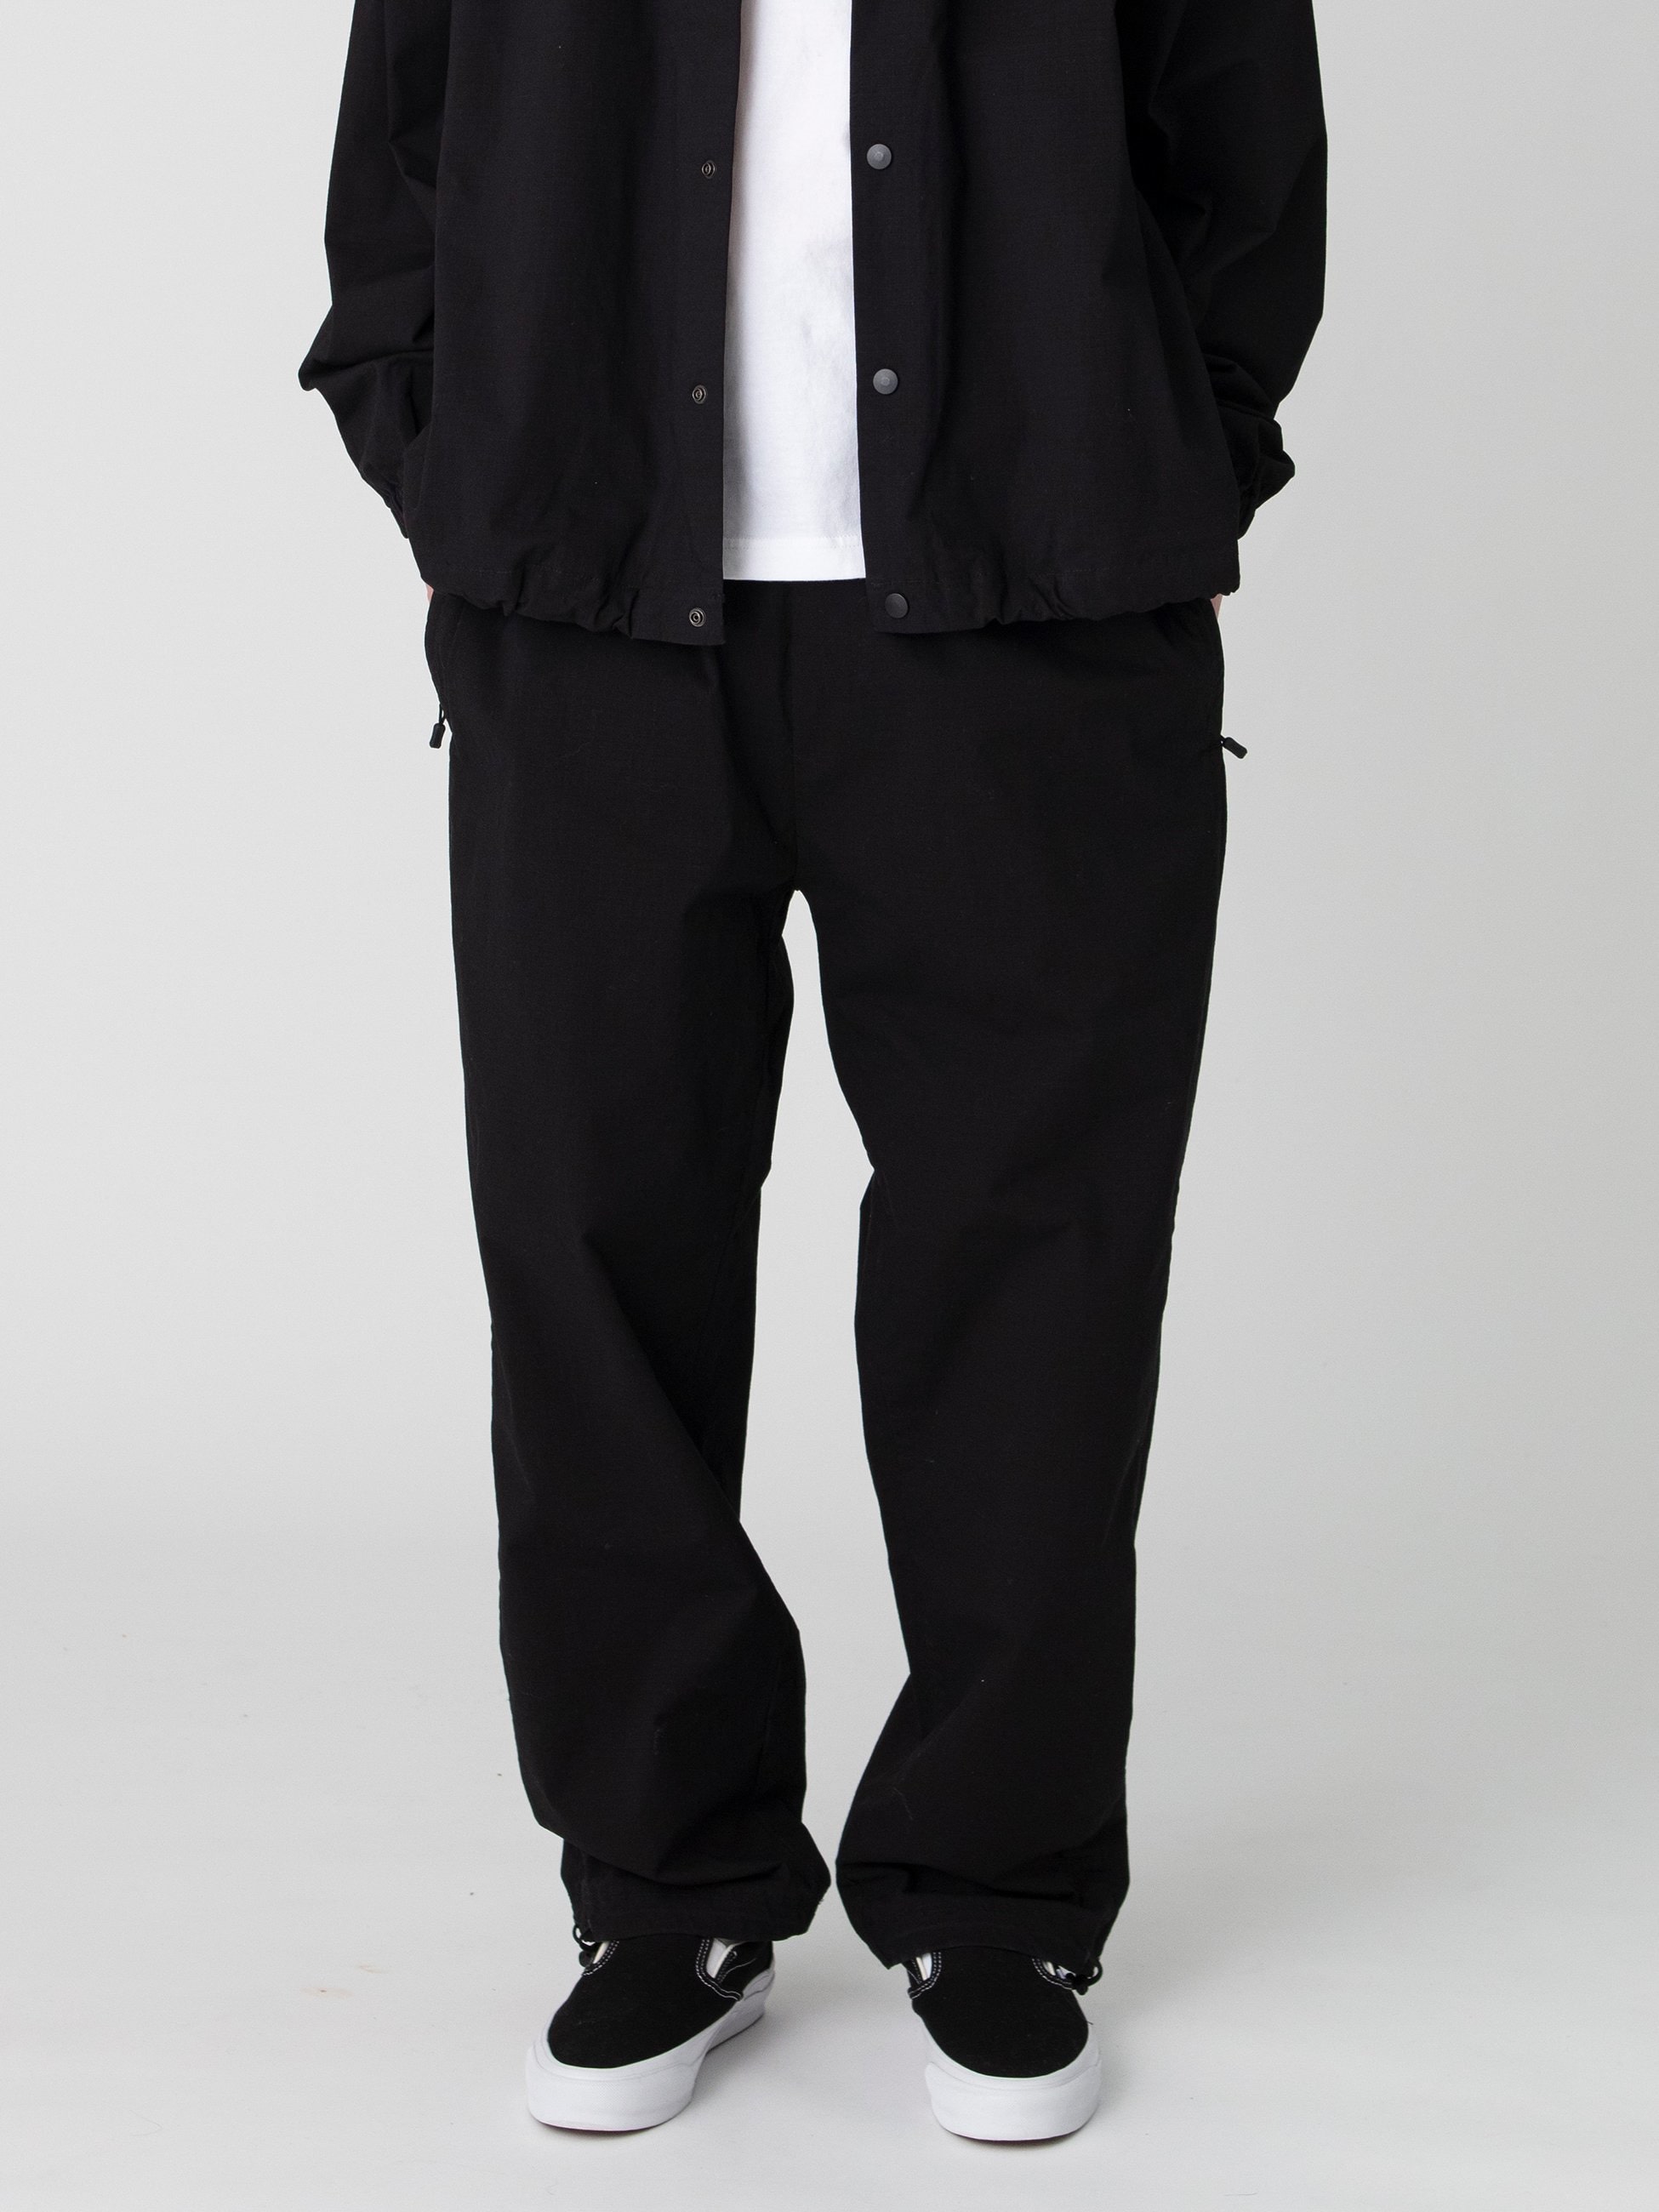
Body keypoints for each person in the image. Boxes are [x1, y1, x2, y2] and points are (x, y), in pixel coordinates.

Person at [300, 0, 1324, 2144]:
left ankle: (1000, 1889)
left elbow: (1245, 163)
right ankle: (664, 1887)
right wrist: (456, 448)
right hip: (589, 603)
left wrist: (1138, 451)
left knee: (1032, 1260)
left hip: (1028, 614)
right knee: (593, 1249)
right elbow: (402, 149)